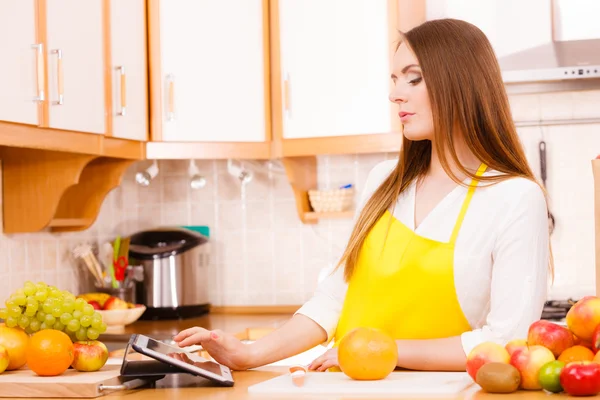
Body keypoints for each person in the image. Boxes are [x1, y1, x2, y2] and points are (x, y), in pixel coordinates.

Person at [173, 18, 551, 372]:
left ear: (460, 83)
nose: (394, 94)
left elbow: (507, 341)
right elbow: (335, 298)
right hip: (346, 386)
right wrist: (249, 354)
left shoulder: (514, 197)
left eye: (413, 79)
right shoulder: (385, 180)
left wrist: (380, 349)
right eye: (394, 80)